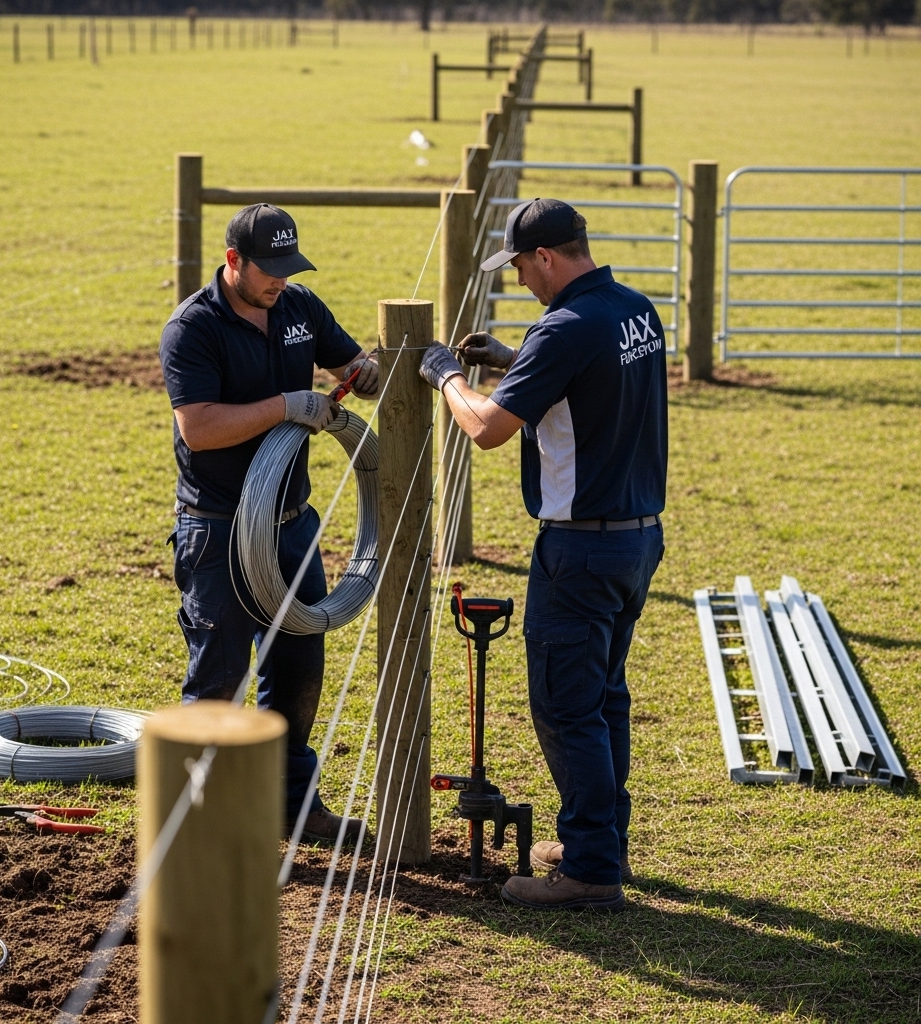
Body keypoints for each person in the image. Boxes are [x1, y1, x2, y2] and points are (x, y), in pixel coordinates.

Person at [419, 199, 667, 911]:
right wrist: (514, 358)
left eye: (522, 265)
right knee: (604, 697)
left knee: (565, 709)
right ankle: (602, 841)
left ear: (549, 258)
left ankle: (590, 871)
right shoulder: (633, 310)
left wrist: (447, 378)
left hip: (580, 551)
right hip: (637, 539)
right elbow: (592, 383)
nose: (521, 278)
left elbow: (488, 429)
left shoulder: (562, 327)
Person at [159, 203, 378, 844]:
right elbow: (198, 428)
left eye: (289, 267)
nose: (281, 280)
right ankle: (202, 824)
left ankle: (291, 803)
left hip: (291, 522)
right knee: (219, 678)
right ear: (233, 262)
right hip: (220, 528)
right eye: (269, 270)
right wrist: (287, 405)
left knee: (299, 667)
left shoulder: (299, 307)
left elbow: (352, 367)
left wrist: (361, 375)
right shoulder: (193, 328)